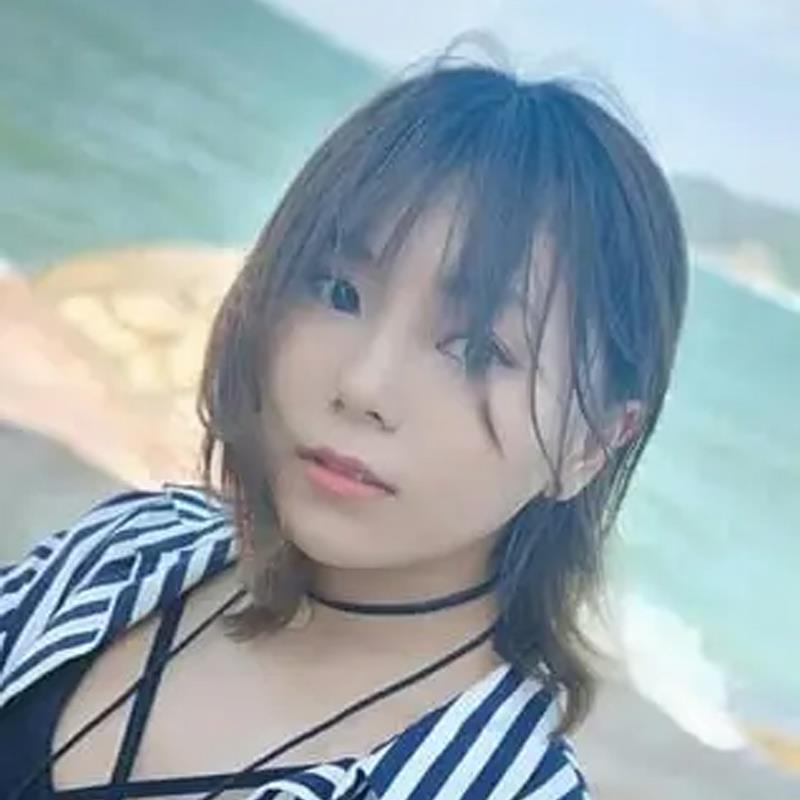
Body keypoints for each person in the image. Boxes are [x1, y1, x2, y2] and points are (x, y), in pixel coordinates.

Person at [0, 56, 688, 800]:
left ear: (590, 443)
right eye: (338, 292)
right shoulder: (130, 547)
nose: (363, 385)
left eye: (477, 350)